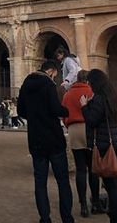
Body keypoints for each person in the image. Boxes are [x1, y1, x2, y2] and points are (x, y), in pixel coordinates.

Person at [18, 59, 75, 223]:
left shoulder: (25, 85)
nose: (55, 78)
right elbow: (56, 109)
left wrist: (35, 116)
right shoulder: (48, 84)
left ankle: (45, 218)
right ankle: (67, 218)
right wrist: (66, 110)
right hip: (53, 138)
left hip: (35, 138)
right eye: (55, 75)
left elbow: (21, 110)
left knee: (40, 182)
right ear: (51, 71)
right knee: (63, 181)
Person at [80, 69, 117, 223]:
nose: (89, 85)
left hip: (105, 144)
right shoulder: (113, 97)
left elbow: (92, 121)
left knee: (110, 184)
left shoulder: (99, 99)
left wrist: (85, 106)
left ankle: (116, 217)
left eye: (90, 82)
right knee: (114, 180)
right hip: (115, 142)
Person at [62, 70, 101, 216]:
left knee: (80, 169)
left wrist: (69, 125)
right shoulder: (92, 91)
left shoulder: (68, 94)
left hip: (73, 130)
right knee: (93, 168)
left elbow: (64, 114)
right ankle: (95, 203)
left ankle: (83, 205)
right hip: (90, 129)